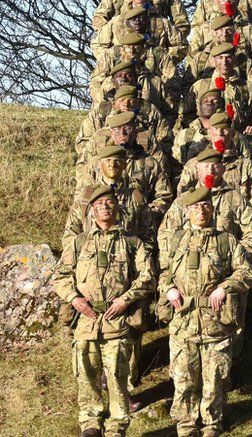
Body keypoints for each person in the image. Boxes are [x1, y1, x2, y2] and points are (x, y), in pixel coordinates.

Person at [53, 184, 155, 437]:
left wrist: (126, 300)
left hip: (117, 323)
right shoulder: (78, 243)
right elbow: (60, 276)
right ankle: (90, 425)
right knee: (86, 378)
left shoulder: (132, 243)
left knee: (119, 379)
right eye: (99, 204)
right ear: (91, 211)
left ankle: (116, 428)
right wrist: (74, 299)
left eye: (109, 202)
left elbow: (148, 276)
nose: (105, 207)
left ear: (117, 207)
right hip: (85, 324)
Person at [157, 187, 252, 437]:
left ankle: (212, 424)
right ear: (187, 211)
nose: (200, 211)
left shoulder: (227, 240)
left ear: (212, 209)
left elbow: (246, 273)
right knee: (183, 378)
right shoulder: (176, 240)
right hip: (184, 323)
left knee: (214, 380)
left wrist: (225, 287)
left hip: (216, 324)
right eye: (195, 207)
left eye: (205, 206)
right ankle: (186, 425)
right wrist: (168, 289)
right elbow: (163, 273)